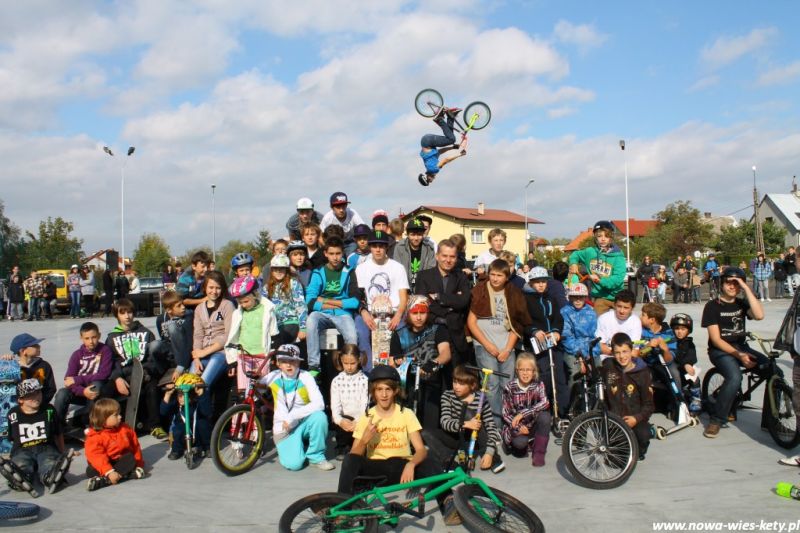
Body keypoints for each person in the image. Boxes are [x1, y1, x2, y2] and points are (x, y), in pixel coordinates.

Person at [336, 365, 456, 524]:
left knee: (429, 460)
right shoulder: (366, 417)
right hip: (376, 469)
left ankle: (448, 503)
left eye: (388, 389)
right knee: (349, 460)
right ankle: (341, 509)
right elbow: (354, 455)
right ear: (373, 392)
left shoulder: (406, 414)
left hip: (402, 467)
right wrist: (364, 439)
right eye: (379, 390)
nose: (384, 394)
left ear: (395, 391)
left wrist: (411, 464)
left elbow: (420, 449)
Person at [701, 267, 766, 438]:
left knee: (773, 370)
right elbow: (716, 340)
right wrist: (739, 356)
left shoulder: (741, 303)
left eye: (736, 283)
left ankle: (770, 420)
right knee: (735, 377)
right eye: (729, 282)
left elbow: (759, 315)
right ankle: (716, 420)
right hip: (720, 350)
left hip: (742, 347)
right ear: (722, 283)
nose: (732, 286)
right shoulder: (712, 306)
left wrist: (746, 288)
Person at [467, 258, 531, 428]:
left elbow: (517, 324)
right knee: (491, 386)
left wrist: (507, 349)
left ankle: (508, 423)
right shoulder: (479, 290)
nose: (495, 279)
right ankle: (495, 426)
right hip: (484, 345)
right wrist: (488, 345)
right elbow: (471, 323)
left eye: (499, 276)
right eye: (492, 275)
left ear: (507, 277)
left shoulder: (514, 294)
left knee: (508, 386)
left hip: (506, 347)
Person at [261, 345, 334, 471]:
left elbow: (320, 404)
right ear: (278, 363)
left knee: (320, 417)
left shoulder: (306, 377)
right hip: (283, 430)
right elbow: (256, 389)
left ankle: (316, 456)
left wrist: (292, 416)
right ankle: (298, 446)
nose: (289, 365)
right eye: (284, 361)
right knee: (295, 465)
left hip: (302, 423)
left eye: (292, 361)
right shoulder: (273, 377)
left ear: (298, 362)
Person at [105, 298, 168, 439]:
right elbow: (111, 361)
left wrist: (147, 370)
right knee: (105, 391)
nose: (127, 316)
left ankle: (155, 426)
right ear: (117, 316)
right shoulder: (112, 337)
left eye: (130, 312)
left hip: (144, 373)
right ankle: (104, 425)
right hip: (124, 375)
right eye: (123, 313)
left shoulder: (146, 333)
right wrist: (117, 378)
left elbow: (153, 357)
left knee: (152, 387)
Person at [426, 365, 505, 473]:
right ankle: (449, 461)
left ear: (472, 385)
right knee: (425, 433)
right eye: (455, 382)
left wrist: (489, 452)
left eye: (461, 383)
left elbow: (491, 426)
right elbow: (444, 422)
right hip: (456, 437)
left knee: (469, 413)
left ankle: (493, 458)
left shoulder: (481, 399)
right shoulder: (447, 396)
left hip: (475, 439)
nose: (456, 386)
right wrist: (465, 424)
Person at [390, 295, 451, 429]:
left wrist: (434, 363)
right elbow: (392, 360)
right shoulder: (399, 334)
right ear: (408, 314)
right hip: (407, 384)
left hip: (431, 382)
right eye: (415, 313)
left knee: (430, 426)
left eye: (422, 313)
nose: (419, 317)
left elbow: (446, 353)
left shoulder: (438, 329)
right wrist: (398, 360)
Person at [354, 230, 410, 367]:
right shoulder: (361, 268)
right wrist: (364, 313)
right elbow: (358, 296)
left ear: (387, 247)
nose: (378, 249)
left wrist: (398, 315)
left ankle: (398, 370)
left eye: (381, 246)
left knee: (403, 330)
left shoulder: (398, 267)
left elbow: (404, 297)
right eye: (374, 246)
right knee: (361, 333)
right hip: (369, 312)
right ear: (370, 247)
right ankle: (368, 371)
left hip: (393, 312)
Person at [304, 238, 359, 375]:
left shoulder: (349, 271)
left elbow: (355, 301)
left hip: (343, 313)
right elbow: (310, 300)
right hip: (323, 313)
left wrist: (326, 301)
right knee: (311, 320)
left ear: (342, 254)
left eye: (338, 254)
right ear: (326, 254)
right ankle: (314, 366)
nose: (335, 257)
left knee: (352, 336)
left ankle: (350, 368)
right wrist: (324, 305)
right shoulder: (318, 272)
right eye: (332, 253)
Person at [415, 239, 472, 366]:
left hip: (456, 337)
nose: (448, 260)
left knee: (456, 380)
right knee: (432, 379)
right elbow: (423, 303)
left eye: (452, 256)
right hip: (431, 334)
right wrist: (451, 305)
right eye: (444, 256)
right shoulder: (423, 276)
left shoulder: (461, 277)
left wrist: (438, 297)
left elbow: (464, 301)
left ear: (456, 258)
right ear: (437, 256)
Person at [4, 379, 66, 494]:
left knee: (49, 461)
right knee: (21, 462)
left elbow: (58, 433)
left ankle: (50, 476)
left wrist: (63, 452)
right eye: (30, 395)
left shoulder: (49, 410)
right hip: (22, 449)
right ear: (20, 400)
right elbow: (13, 439)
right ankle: (20, 477)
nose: (36, 397)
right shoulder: (13, 414)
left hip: (46, 447)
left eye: (38, 393)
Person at [523, 267, 568, 419]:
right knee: (544, 377)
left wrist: (556, 331)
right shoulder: (526, 299)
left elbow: (558, 318)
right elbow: (524, 321)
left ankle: (561, 412)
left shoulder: (551, 298)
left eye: (543, 282)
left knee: (559, 377)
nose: (541, 285)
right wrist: (534, 331)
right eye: (537, 282)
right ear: (531, 283)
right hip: (538, 344)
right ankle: (544, 410)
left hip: (553, 343)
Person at [602, 333, 654, 460]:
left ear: (632, 351)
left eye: (625, 351)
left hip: (634, 419)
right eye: (617, 352)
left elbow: (649, 405)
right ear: (612, 353)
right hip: (614, 420)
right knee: (615, 461)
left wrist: (636, 418)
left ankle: (640, 450)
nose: (622, 356)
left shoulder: (642, 373)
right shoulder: (608, 366)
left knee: (643, 434)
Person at [53, 322, 113, 426]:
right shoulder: (76, 355)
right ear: (81, 338)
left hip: (98, 393)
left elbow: (104, 374)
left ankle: (87, 422)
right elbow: (68, 381)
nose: (91, 341)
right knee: (62, 394)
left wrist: (77, 380)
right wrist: (83, 391)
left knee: (96, 384)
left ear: (99, 335)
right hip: (81, 392)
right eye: (87, 338)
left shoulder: (105, 350)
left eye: (94, 337)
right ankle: (58, 428)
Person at [225, 276, 278, 392]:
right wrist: (232, 361)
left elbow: (274, 333)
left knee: (261, 390)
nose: (243, 305)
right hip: (244, 357)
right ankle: (245, 410)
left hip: (262, 357)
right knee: (243, 391)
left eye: (246, 301)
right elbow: (233, 338)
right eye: (240, 302)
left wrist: (273, 356)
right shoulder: (238, 313)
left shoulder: (267, 310)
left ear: (255, 295)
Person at [501, 353, 552, 467]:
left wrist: (523, 414)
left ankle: (539, 453)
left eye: (528, 370)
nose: (525, 373)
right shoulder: (509, 387)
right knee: (520, 446)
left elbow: (545, 402)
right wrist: (519, 426)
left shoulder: (539, 384)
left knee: (545, 416)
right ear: (517, 370)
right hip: (516, 426)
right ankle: (513, 444)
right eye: (522, 369)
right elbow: (505, 413)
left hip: (532, 423)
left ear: (534, 371)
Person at [84, 398, 145, 491]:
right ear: (103, 418)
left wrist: (139, 464)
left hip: (120, 460)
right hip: (105, 463)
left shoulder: (125, 429)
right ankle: (124, 475)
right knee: (90, 470)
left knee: (130, 458)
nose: (120, 417)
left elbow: (135, 446)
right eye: (116, 415)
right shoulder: (95, 436)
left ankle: (104, 481)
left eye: (119, 414)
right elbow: (96, 456)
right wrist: (109, 471)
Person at [568, 220, 626, 316]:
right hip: (600, 297)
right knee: (596, 320)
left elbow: (618, 279)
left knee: (624, 321)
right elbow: (575, 254)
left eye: (606, 236)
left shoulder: (618, 256)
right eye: (599, 236)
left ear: (611, 237)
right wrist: (573, 263)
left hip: (617, 296)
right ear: (595, 237)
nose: (603, 239)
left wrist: (599, 280)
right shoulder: (590, 252)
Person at [191, 271, 233, 394]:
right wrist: (197, 357)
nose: (214, 291)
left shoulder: (227, 305)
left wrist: (204, 352)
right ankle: (191, 413)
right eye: (211, 287)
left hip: (220, 353)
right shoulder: (199, 309)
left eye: (218, 288)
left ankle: (207, 413)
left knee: (202, 385)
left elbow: (227, 335)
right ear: (205, 288)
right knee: (190, 383)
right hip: (202, 353)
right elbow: (198, 335)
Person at [329, 345, 369, 459]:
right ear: (341, 361)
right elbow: (335, 406)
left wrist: (358, 422)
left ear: (359, 360)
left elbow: (364, 404)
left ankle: (357, 447)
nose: (349, 367)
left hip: (360, 420)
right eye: (346, 363)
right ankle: (342, 447)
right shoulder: (337, 381)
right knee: (342, 426)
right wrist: (340, 420)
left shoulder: (364, 380)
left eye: (353, 363)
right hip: (345, 420)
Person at [160, 373, 210, 460]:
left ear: (193, 394)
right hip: (184, 437)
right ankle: (176, 450)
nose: (180, 397)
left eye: (183, 394)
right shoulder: (177, 404)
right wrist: (167, 395)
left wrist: (201, 394)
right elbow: (163, 412)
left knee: (203, 424)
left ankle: (207, 447)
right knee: (178, 429)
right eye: (179, 394)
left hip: (198, 436)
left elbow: (207, 412)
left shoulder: (198, 402)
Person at [262, 254, 307, 348]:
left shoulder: (294, 284)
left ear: (286, 270)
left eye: (282, 269)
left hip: (290, 322)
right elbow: (263, 307)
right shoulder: (267, 287)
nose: (278, 271)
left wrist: (303, 328)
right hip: (274, 324)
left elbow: (301, 305)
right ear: (272, 270)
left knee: (278, 342)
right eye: (275, 269)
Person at [560, 283, 598, 391]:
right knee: (576, 373)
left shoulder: (591, 312)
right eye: (574, 297)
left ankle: (596, 399)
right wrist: (581, 358)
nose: (577, 300)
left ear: (585, 298)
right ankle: (573, 400)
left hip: (589, 348)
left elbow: (595, 335)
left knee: (599, 370)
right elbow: (567, 337)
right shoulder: (564, 312)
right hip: (572, 350)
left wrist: (591, 354)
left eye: (580, 297)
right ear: (570, 297)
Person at [417, 107, 466, 187]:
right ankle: (451, 116)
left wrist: (460, 154)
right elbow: (439, 152)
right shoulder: (430, 165)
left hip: (428, 142)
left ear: (427, 177)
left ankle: (439, 119)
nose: (432, 180)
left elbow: (446, 160)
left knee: (451, 139)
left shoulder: (433, 169)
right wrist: (452, 148)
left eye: (430, 181)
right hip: (426, 141)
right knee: (450, 136)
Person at [639, 302, 681, 394]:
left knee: (674, 372)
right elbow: (639, 354)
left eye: (643, 315)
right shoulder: (640, 331)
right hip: (646, 363)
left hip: (662, 364)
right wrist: (648, 346)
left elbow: (669, 360)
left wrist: (665, 350)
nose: (640, 317)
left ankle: (678, 399)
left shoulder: (668, 333)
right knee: (643, 374)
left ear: (652, 320)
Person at [155, 290, 193, 381]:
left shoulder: (189, 316)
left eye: (182, 304)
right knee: (154, 345)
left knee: (172, 326)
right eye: (179, 306)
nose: (183, 307)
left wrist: (182, 363)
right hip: (170, 351)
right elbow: (163, 338)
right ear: (169, 310)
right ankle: (161, 371)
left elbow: (189, 341)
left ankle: (181, 366)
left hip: (184, 351)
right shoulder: (160, 319)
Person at [10, 333, 57, 405]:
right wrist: (5, 364)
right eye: (34, 345)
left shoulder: (44, 365)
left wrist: (39, 402)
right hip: (19, 407)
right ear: (23, 351)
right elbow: (7, 390)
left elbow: (51, 388)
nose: (39, 346)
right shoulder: (13, 368)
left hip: (40, 405)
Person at [392, 218, 436, 292]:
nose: (416, 238)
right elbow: (397, 271)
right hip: (403, 289)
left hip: (423, 289)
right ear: (407, 234)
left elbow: (431, 272)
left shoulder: (429, 248)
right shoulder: (399, 247)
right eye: (412, 234)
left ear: (423, 234)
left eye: (419, 235)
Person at [670, 313, 701, 413]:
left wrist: (687, 363)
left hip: (684, 369)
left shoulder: (689, 343)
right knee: (675, 375)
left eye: (683, 329)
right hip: (672, 369)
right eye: (677, 328)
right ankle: (678, 400)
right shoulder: (670, 341)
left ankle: (696, 400)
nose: (679, 332)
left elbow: (691, 355)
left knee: (695, 378)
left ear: (688, 330)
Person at [596, 290, 642, 359]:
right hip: (607, 357)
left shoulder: (635, 321)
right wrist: (617, 354)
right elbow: (600, 345)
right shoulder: (603, 318)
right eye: (619, 306)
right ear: (614, 305)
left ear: (632, 308)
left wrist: (620, 355)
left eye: (626, 308)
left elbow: (634, 351)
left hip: (628, 359)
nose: (621, 311)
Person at [320, 192, 364, 256]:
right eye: (338, 207)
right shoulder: (328, 218)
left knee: (352, 255)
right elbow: (320, 236)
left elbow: (363, 229)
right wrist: (327, 248)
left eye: (343, 206)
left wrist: (362, 246)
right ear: (332, 207)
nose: (341, 210)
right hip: (334, 243)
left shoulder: (352, 213)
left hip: (350, 242)